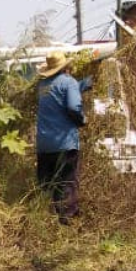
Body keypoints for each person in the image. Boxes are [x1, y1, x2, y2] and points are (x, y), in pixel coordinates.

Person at [35, 52, 91, 223]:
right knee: (67, 181)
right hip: (64, 142)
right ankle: (67, 220)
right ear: (66, 67)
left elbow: (57, 93)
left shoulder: (42, 86)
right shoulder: (69, 82)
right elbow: (73, 107)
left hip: (44, 144)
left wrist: (81, 85)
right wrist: (82, 120)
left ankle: (46, 219)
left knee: (48, 184)